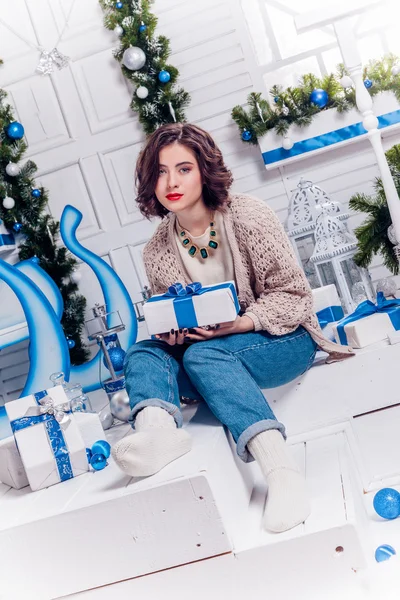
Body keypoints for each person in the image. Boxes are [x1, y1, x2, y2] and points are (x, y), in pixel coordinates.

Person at [112, 122, 353, 533]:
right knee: (144, 350)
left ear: (204, 170)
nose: (171, 182)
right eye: (160, 172)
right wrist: (173, 332)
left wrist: (240, 322)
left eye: (183, 168)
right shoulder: (156, 249)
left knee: (205, 354)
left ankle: (281, 472)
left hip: (282, 338)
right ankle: (157, 432)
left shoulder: (247, 215)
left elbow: (295, 296)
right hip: (211, 350)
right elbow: (176, 313)